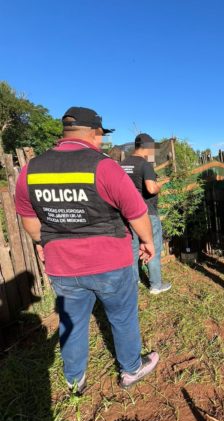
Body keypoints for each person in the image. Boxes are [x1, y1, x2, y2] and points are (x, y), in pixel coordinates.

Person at [15, 107, 160, 392]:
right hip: (110, 263)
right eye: (101, 135)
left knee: (72, 322)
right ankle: (131, 369)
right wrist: (148, 241)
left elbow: (29, 222)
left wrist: (43, 243)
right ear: (93, 133)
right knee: (122, 317)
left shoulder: (31, 170)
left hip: (63, 266)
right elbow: (136, 212)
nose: (102, 141)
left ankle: (74, 379)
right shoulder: (104, 166)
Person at [121, 134, 171, 294]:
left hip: (128, 214)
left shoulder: (123, 164)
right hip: (147, 213)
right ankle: (156, 285)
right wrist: (159, 186)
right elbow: (150, 188)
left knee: (132, 250)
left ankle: (133, 284)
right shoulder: (145, 164)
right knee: (153, 247)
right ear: (147, 147)